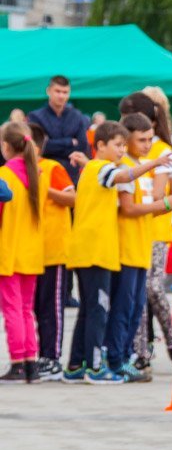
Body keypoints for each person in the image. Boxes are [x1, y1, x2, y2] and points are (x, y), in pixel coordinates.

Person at [63, 122, 170, 384]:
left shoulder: (93, 168)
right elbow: (123, 177)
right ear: (100, 145)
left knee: (89, 309)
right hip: (95, 252)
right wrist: (155, 163)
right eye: (118, 145)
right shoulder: (103, 169)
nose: (122, 150)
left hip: (89, 250)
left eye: (124, 145)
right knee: (98, 310)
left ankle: (76, 364)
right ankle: (95, 368)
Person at [107, 113, 172, 382]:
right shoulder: (126, 168)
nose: (147, 145)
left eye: (149, 139)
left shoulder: (144, 162)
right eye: (141, 140)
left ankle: (142, 352)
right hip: (129, 245)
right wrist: (164, 203)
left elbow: (149, 204)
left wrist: (163, 204)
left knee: (140, 299)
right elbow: (130, 208)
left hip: (146, 241)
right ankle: (129, 355)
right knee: (131, 303)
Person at [122, 91, 172, 370]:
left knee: (152, 287)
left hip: (156, 227)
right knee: (138, 291)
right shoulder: (123, 152)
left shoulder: (160, 149)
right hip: (133, 229)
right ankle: (141, 350)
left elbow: (160, 195)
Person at [29, 125, 75, 380]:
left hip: (53, 250)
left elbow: (73, 198)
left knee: (51, 307)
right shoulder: (16, 172)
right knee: (35, 307)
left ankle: (52, 357)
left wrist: (45, 189)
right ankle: (39, 355)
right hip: (30, 250)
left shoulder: (52, 168)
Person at [0, 122, 41, 384]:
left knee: (11, 310)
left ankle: (17, 363)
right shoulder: (36, 173)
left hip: (9, 248)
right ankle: (31, 362)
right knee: (26, 309)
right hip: (32, 250)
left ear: (6, 146)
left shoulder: (5, 175)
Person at [26, 75, 90, 183]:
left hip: (72, 175)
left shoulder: (77, 116)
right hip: (46, 175)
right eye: (57, 91)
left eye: (65, 92)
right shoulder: (35, 116)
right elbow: (40, 147)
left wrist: (52, 144)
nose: (61, 96)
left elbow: (82, 146)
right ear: (48, 91)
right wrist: (69, 142)